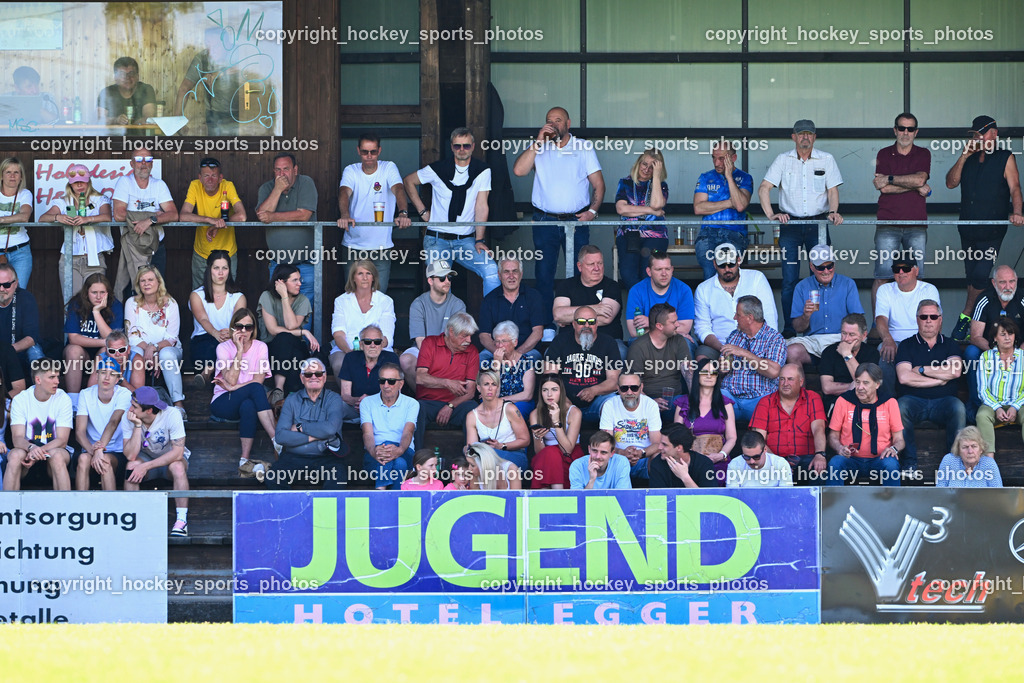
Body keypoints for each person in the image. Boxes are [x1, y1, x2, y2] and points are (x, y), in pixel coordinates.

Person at [513, 106, 604, 326]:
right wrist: (538, 142)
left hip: (576, 220)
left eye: (558, 120)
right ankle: (545, 328)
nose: (553, 124)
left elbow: (599, 185)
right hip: (545, 220)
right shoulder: (538, 147)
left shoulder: (582, 147)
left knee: (581, 277)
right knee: (544, 275)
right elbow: (519, 171)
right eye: (549, 120)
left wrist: (592, 212)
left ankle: (579, 324)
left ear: (568, 123)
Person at [758, 119, 844, 337]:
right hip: (791, 226)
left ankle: (822, 329)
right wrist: (771, 215)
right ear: (793, 137)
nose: (805, 137)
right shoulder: (782, 160)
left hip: (818, 225)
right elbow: (764, 188)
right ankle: (790, 331)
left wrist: (833, 211)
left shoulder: (826, 159)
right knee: (789, 281)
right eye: (801, 134)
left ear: (814, 137)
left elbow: (833, 191)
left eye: (809, 134)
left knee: (823, 277)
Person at [945, 115, 1024, 341]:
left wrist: (1017, 212)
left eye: (983, 133)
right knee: (972, 277)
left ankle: (966, 316)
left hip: (992, 229)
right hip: (967, 227)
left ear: (994, 134)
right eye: (976, 133)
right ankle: (982, 326)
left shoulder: (1005, 157)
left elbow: (1015, 187)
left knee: (981, 275)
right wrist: (963, 155)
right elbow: (950, 183)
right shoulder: (967, 157)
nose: (979, 137)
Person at [404, 127, 498, 295]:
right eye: (457, 146)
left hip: (466, 241)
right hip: (437, 239)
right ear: (452, 147)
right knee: (440, 284)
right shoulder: (438, 169)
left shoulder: (482, 170)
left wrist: (479, 239)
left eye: (466, 146)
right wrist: (423, 212)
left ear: (473, 146)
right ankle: (442, 322)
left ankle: (492, 320)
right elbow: (408, 181)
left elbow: (482, 205)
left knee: (492, 270)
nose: (462, 150)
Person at [871, 112, 931, 317]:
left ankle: (920, 324)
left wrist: (891, 179)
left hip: (916, 224)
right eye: (902, 128)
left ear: (916, 132)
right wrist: (914, 185)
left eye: (910, 129)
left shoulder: (923, 153)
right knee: (882, 276)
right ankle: (878, 327)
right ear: (895, 130)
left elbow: (920, 180)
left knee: (918, 277)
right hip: (888, 223)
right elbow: (884, 188)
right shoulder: (884, 153)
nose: (906, 132)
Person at [895, 300, 965, 473]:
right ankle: (909, 463)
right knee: (900, 406)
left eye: (933, 316)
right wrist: (939, 379)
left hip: (944, 402)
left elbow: (955, 372)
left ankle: (954, 464)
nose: (928, 320)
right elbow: (904, 377)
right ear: (917, 319)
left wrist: (921, 369)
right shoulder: (906, 345)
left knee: (958, 407)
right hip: (913, 401)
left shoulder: (950, 344)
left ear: (940, 320)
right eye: (924, 316)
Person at [338, 133, 412, 292]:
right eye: (365, 152)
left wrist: (403, 213)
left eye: (373, 151)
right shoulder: (351, 170)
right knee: (352, 296)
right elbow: (344, 192)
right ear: (358, 151)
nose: (369, 156)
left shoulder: (388, 167)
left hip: (381, 248)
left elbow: (398, 189)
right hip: (353, 247)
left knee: (379, 297)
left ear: (379, 151)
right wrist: (344, 214)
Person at [211, 308, 277, 477]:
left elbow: (258, 381)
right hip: (223, 401)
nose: (244, 331)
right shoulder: (223, 348)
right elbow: (232, 380)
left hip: (244, 399)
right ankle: (276, 440)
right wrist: (239, 351)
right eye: (239, 326)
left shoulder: (261, 347)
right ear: (233, 328)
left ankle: (243, 460)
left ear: (254, 329)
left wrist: (234, 387)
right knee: (255, 390)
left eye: (249, 327)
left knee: (249, 405)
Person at [122, 386, 191, 537]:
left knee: (178, 467)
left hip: (170, 461)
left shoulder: (172, 414)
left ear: (148, 410)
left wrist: (146, 466)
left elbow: (178, 452)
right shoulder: (130, 418)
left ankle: (181, 521)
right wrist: (137, 426)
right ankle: (132, 519)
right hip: (146, 458)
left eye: (134, 406)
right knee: (131, 466)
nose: (130, 409)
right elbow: (130, 455)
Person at [270, 358, 347, 491]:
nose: (313, 377)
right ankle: (292, 512)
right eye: (308, 374)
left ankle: (324, 512)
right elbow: (281, 436)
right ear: (301, 378)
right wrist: (316, 436)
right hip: (293, 457)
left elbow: (329, 429)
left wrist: (300, 427)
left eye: (318, 374)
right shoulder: (291, 400)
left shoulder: (334, 399)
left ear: (324, 377)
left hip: (325, 457)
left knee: (339, 475)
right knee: (273, 476)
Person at [111, 146, 178, 299]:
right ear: (131, 164)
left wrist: (150, 220)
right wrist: (154, 214)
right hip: (133, 245)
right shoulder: (124, 182)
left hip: (156, 246)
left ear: (152, 164)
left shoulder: (159, 184)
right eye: (139, 159)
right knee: (133, 292)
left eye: (147, 159)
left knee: (157, 291)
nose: (143, 163)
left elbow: (173, 214)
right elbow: (119, 214)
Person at [41, 163, 113, 302]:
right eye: (76, 182)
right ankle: (73, 325)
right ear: (70, 184)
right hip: (70, 258)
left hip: (94, 257)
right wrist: (58, 217)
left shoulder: (99, 199)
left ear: (88, 182)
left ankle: (94, 324)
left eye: (83, 182)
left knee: (96, 302)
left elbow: (106, 216)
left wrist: (87, 219)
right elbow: (43, 218)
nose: (79, 185)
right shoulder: (63, 201)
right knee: (72, 302)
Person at [693, 243, 777, 359]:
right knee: (702, 360)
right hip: (719, 346)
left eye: (731, 264)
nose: (727, 269)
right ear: (714, 264)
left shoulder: (756, 278)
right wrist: (724, 348)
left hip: (755, 344)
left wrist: (762, 345)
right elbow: (702, 328)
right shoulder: (703, 289)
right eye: (722, 265)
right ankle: (712, 377)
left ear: (738, 260)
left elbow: (770, 316)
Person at [256, 153, 318, 309]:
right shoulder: (267, 188)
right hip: (278, 264)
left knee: (304, 313)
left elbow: (304, 215)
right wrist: (277, 190)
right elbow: (262, 216)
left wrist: (273, 216)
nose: (281, 174)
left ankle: (303, 335)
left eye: (286, 169)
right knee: (278, 311)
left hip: (305, 263)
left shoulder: (306, 183)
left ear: (295, 170)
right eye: (277, 170)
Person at [827, 363, 904, 487]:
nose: (860, 387)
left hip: (879, 459)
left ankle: (891, 506)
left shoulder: (889, 402)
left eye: (866, 383)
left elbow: (899, 440)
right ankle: (834, 505)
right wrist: (839, 448)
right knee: (835, 463)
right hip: (850, 459)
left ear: (877, 384)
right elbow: (833, 436)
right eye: (857, 382)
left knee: (891, 464)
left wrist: (893, 449)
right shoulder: (843, 400)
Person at [123, 266, 186, 418]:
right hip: (141, 348)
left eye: (150, 280)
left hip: (167, 349)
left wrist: (155, 349)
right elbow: (131, 336)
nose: (146, 283)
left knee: (167, 355)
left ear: (158, 282)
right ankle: (136, 402)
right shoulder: (132, 303)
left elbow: (172, 337)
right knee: (135, 356)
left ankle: (178, 405)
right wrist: (149, 350)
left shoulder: (170, 303)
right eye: (142, 280)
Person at [543, 306, 622, 425]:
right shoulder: (560, 341)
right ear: (574, 324)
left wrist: (594, 390)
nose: (587, 325)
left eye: (591, 321)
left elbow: (614, 380)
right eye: (581, 322)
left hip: (598, 403)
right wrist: (563, 400)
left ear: (596, 324)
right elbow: (549, 377)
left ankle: (607, 443)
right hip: (565, 404)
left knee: (614, 404)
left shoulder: (608, 343)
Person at [786, 244, 863, 366]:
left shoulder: (847, 284)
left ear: (834, 264)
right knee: (791, 352)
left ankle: (850, 385)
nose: (826, 271)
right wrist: (806, 316)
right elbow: (798, 328)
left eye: (829, 266)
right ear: (811, 266)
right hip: (814, 341)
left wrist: (849, 339)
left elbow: (858, 320)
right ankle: (801, 386)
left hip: (841, 338)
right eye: (821, 268)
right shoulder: (802, 287)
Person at [749, 363, 827, 482]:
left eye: (790, 379)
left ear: (801, 382)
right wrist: (778, 463)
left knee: (819, 469)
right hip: (774, 459)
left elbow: (818, 429)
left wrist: (820, 454)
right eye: (782, 379)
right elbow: (759, 439)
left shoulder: (812, 398)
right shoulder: (765, 402)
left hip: (806, 459)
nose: (785, 384)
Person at [874, 251, 940, 388]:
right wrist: (887, 339)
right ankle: (887, 401)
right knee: (884, 350)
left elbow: (935, 319)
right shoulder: (884, 289)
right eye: (897, 269)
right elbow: (880, 318)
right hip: (895, 341)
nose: (901, 272)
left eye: (906, 268)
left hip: (921, 340)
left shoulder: (929, 289)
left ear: (916, 271)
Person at [414, 312, 480, 449]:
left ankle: (471, 459)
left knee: (473, 409)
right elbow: (420, 377)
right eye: (464, 336)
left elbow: (470, 391)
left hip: (457, 405)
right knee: (415, 409)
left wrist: (450, 405)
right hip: (429, 403)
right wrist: (447, 382)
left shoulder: (472, 351)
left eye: (470, 335)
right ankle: (417, 461)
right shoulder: (430, 343)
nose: (469, 340)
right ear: (451, 332)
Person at [965, 266, 1024, 418]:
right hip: (990, 349)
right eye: (1002, 282)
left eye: (1011, 281)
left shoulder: (1023, 297)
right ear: (993, 283)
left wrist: (1018, 352)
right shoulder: (984, 299)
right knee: (971, 352)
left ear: (1016, 280)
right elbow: (975, 336)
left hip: (1020, 350)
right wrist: (995, 352)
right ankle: (976, 403)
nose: (1008, 287)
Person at [2, 365, 72, 492]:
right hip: (27, 450)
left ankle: (64, 508)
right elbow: (17, 439)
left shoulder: (63, 398)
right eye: (52, 377)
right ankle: (8, 509)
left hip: (54, 450)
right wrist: (31, 448)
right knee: (14, 455)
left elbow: (62, 440)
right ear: (38, 380)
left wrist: (37, 452)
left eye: (57, 376)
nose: (57, 381)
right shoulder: (21, 399)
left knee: (57, 456)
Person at [180, 157, 246, 289]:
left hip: (227, 252)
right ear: (200, 177)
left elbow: (242, 216)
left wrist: (217, 226)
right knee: (199, 294)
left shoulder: (228, 185)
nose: (210, 179)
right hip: (202, 252)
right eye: (206, 175)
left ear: (220, 178)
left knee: (228, 294)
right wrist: (209, 220)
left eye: (214, 176)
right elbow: (183, 216)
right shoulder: (195, 185)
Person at [399, 260, 465, 389]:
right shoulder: (418, 304)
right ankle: (421, 397)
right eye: (442, 278)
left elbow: (457, 340)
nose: (447, 281)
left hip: (450, 350)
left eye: (449, 277)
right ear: (430, 281)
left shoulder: (458, 304)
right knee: (405, 360)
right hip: (423, 349)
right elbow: (420, 340)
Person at [719, 296, 788, 421]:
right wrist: (723, 367)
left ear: (750, 318)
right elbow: (723, 368)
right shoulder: (734, 336)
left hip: (758, 399)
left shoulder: (774, 338)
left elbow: (773, 372)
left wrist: (745, 353)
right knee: (711, 400)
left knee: (769, 408)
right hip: (729, 396)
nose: (735, 318)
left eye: (738, 315)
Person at [258, 264, 319, 404]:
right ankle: (288, 397)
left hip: (296, 346)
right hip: (272, 348)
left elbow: (291, 325)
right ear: (281, 283)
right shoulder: (266, 296)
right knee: (286, 342)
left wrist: (284, 297)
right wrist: (303, 332)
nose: (300, 284)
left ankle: (278, 391)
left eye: (300, 279)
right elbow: (273, 330)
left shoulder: (302, 300)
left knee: (290, 343)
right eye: (295, 280)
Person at [693, 141, 754, 280]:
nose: (716, 162)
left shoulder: (745, 178)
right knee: (711, 270)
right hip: (708, 233)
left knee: (729, 270)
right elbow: (698, 208)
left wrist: (729, 176)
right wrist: (729, 202)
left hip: (735, 234)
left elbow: (739, 206)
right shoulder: (705, 177)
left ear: (733, 158)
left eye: (721, 158)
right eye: (714, 157)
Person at [552, 245, 625, 356]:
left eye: (600, 263)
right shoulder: (566, 285)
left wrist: (571, 319)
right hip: (570, 341)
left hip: (608, 341)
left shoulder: (612, 286)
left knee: (622, 352)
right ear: (580, 266)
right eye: (591, 264)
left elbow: (606, 318)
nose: (597, 268)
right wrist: (596, 308)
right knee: (549, 352)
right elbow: (558, 315)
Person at [63, 274, 122, 410]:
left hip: (101, 353)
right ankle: (73, 404)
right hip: (80, 354)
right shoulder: (77, 303)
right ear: (86, 293)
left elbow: (112, 340)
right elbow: (74, 338)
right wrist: (103, 342)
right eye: (94, 292)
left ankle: (94, 401)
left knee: (106, 351)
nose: (98, 297)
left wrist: (96, 312)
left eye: (102, 292)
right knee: (74, 350)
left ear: (108, 293)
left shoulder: (115, 305)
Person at [329, 259, 396, 377]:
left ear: (373, 277)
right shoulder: (341, 301)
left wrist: (371, 352)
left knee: (386, 365)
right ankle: (348, 395)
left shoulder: (386, 301)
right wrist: (350, 354)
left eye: (368, 273)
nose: (365, 277)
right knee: (340, 363)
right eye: (360, 274)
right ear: (353, 278)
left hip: (378, 349)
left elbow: (386, 337)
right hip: (347, 349)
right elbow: (338, 334)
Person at [73, 355, 130, 491]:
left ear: (118, 379)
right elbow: (79, 432)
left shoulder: (124, 394)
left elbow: (113, 422)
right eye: (103, 372)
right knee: (82, 459)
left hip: (116, 451)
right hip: (90, 449)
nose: (106, 378)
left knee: (105, 461)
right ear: (97, 375)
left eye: (112, 374)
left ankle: (110, 508)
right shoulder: (85, 394)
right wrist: (94, 451)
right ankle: (80, 507)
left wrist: (100, 450)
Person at [615, 148, 669, 291]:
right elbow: (621, 209)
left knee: (649, 274)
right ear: (638, 163)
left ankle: (648, 309)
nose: (646, 169)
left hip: (655, 235)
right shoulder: (625, 183)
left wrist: (656, 177)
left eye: (652, 167)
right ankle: (641, 305)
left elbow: (657, 204)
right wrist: (651, 211)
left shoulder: (661, 185)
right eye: (644, 164)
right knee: (628, 274)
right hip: (629, 234)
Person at [189, 250, 246, 385]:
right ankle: (211, 374)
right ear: (209, 270)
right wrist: (216, 333)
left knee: (228, 347)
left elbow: (238, 321)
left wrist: (230, 332)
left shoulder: (238, 297)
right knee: (212, 347)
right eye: (216, 268)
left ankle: (207, 374)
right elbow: (203, 319)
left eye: (224, 268)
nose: (220, 273)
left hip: (231, 338)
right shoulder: (197, 295)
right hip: (204, 339)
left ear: (229, 270)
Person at [628, 303, 692, 421]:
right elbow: (632, 384)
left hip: (675, 401)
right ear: (659, 326)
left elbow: (688, 371)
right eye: (673, 322)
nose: (678, 325)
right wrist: (650, 402)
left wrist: (696, 399)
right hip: (646, 402)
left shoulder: (678, 340)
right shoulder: (638, 346)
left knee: (686, 405)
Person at [673, 357, 736, 477]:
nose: (709, 375)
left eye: (713, 372)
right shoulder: (683, 403)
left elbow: (732, 437)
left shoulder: (726, 404)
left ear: (717, 376)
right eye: (704, 372)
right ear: (697, 375)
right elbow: (676, 437)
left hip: (718, 460)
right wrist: (689, 457)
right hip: (689, 460)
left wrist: (721, 455)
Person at [173, 28, 242, 135]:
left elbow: (254, 67)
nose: (211, 51)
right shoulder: (203, 58)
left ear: (227, 44)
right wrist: (177, 120)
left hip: (242, 117)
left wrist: (220, 73)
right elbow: (184, 88)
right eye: (208, 46)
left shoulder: (240, 52)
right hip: (214, 118)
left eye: (215, 46)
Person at [361, 362, 417, 490]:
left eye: (391, 381)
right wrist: (374, 452)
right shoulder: (367, 403)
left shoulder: (412, 404)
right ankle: (394, 501)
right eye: (382, 381)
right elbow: (367, 434)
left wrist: (399, 450)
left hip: (405, 451)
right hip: (374, 453)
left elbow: (408, 432)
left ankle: (381, 492)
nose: (386, 385)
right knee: (399, 464)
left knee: (396, 455)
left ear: (401, 384)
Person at [478, 257, 545, 364]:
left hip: (526, 350)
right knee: (482, 360)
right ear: (499, 275)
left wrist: (517, 353)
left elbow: (538, 332)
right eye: (506, 272)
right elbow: (484, 336)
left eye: (515, 271)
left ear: (521, 274)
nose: (511, 276)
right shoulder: (489, 299)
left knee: (530, 362)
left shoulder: (533, 296)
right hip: (497, 350)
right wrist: (498, 353)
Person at [975, 318, 1024, 457]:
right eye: (1003, 334)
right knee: (982, 415)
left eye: (1011, 333)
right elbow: (982, 389)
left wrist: (1015, 406)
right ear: (995, 338)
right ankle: (989, 464)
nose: (1007, 337)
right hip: (993, 403)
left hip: (1020, 403)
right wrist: (997, 407)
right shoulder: (986, 357)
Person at [600, 373, 663, 481]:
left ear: (641, 387)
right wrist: (621, 453)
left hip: (644, 459)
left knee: (659, 456)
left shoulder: (650, 405)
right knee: (601, 455)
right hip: (617, 458)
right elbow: (605, 442)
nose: (629, 392)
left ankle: (658, 495)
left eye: (634, 388)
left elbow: (657, 443)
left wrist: (641, 453)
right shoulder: (609, 405)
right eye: (624, 388)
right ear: (618, 388)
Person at [625, 251, 695, 346]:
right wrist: (671, 329)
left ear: (672, 270)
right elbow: (634, 332)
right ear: (649, 272)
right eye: (659, 269)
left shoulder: (684, 290)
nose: (664, 274)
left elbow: (685, 328)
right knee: (636, 343)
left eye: (667, 269)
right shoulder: (636, 290)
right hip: (647, 341)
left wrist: (650, 323)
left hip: (675, 340)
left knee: (685, 343)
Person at [465, 370, 530, 471]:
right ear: (479, 388)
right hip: (486, 457)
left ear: (497, 388)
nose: (490, 388)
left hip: (514, 455)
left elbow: (525, 440)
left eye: (494, 384)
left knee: (485, 456)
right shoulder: (472, 416)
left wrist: (501, 446)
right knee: (471, 453)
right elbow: (473, 448)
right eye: (486, 384)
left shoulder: (510, 408)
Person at [529, 375, 584, 489]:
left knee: (551, 453)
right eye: (545, 390)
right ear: (541, 393)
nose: (549, 394)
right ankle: (555, 494)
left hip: (570, 456)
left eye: (554, 390)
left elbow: (568, 450)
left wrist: (557, 422)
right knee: (549, 454)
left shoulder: (574, 412)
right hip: (547, 458)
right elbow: (539, 452)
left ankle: (553, 494)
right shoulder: (535, 414)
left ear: (561, 392)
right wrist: (538, 438)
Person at [338, 324, 400, 423]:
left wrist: (370, 401)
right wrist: (359, 401)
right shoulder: (350, 358)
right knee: (335, 408)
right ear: (361, 345)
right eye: (367, 342)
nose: (372, 345)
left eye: (377, 342)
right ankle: (333, 438)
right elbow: (345, 395)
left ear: (382, 344)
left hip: (383, 408)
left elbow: (396, 392)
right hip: (356, 407)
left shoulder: (391, 359)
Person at [818, 314, 881, 411]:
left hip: (864, 402)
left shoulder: (872, 353)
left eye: (851, 334)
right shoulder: (829, 352)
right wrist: (852, 386)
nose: (846, 339)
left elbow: (868, 386)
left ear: (864, 335)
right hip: (836, 402)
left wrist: (847, 354)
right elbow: (827, 388)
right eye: (843, 333)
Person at [486, 321, 536, 419]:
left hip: (520, 403)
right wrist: (497, 365)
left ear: (515, 342)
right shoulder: (489, 363)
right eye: (497, 341)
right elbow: (493, 394)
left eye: (504, 341)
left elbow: (527, 395)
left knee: (514, 411)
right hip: (495, 404)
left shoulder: (526, 362)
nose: (500, 345)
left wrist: (502, 400)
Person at [0, 263, 44, 373]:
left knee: (35, 353)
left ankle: (42, 389)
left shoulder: (26, 299)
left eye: (6, 285)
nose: (1, 289)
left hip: (20, 350)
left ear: (16, 283)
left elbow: (31, 338)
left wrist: (7, 351)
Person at [649, 423, 717, 488]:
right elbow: (659, 498)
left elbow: (708, 498)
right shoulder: (657, 463)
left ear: (679, 448)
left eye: (664, 444)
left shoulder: (704, 463)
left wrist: (684, 477)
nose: (659, 447)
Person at [0, 157, 33, 286]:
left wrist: (2, 219)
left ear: (21, 177)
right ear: (2, 175)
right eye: (8, 172)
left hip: (20, 251)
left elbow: (24, 216)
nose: (12, 176)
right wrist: (13, 218)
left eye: (16, 172)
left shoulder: (25, 194)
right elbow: (19, 216)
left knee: (19, 292)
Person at [936, 427, 1002, 488]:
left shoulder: (989, 464)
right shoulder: (948, 461)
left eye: (974, 446)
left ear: (981, 449)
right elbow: (939, 493)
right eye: (965, 447)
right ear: (958, 450)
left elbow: (998, 494)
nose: (970, 451)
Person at [97, 56, 156, 125]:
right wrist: (116, 120)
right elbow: (99, 119)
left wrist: (135, 124)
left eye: (131, 73)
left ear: (137, 76)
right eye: (122, 74)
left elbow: (149, 117)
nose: (127, 77)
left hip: (140, 135)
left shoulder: (146, 89)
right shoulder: (107, 92)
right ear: (115, 77)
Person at [727, 431, 794, 488]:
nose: (752, 461)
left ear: (765, 449)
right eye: (746, 457)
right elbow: (733, 497)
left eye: (756, 457)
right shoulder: (734, 465)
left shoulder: (781, 464)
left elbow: (786, 496)